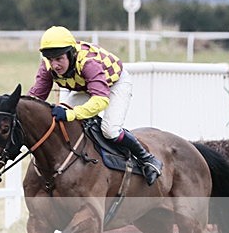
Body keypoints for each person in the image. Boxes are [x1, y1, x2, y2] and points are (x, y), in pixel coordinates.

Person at [27, 26, 162, 185]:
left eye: (59, 59)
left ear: (71, 53)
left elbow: (100, 100)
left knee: (110, 130)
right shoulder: (47, 66)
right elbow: (36, 97)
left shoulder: (88, 62)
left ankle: (147, 159)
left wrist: (72, 114)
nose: (54, 65)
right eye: (50, 59)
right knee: (61, 122)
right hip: (86, 88)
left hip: (114, 84)